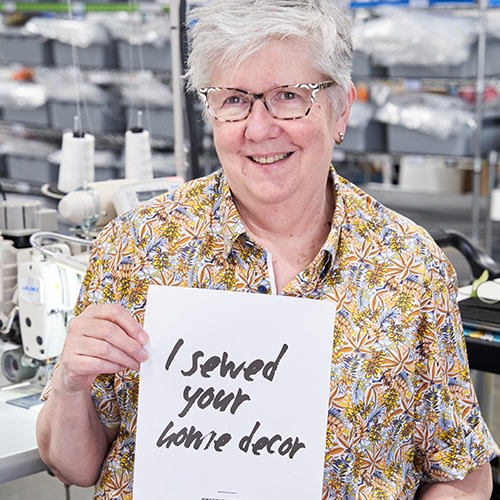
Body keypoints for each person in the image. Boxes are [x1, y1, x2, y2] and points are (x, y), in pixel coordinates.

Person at [36, 0, 499, 498]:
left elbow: (462, 475)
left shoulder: (407, 264)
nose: (259, 129)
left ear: (341, 108)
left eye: (288, 96)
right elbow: (73, 467)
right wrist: (70, 382)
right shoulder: (137, 246)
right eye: (234, 99)